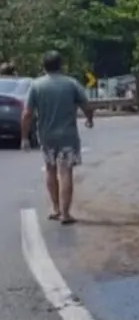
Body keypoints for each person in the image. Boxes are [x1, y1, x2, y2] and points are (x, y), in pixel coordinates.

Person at [21, 51, 94, 225]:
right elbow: (86, 105)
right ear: (61, 66)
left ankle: (55, 208)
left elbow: (27, 114)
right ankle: (65, 213)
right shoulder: (71, 84)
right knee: (66, 172)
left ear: (44, 66)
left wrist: (24, 137)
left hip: (46, 136)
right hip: (68, 136)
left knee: (50, 170)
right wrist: (89, 119)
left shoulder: (36, 86)